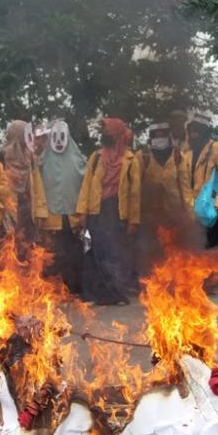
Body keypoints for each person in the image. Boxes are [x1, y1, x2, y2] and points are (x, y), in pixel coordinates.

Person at [76, 118, 141, 305]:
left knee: (113, 255)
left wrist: (133, 221)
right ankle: (94, 295)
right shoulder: (96, 158)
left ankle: (115, 294)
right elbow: (86, 186)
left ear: (118, 135)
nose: (105, 136)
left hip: (116, 212)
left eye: (109, 133)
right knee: (94, 254)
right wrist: (82, 213)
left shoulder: (130, 160)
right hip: (96, 211)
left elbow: (135, 193)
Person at [39, 120, 87, 293]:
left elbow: (86, 185)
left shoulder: (80, 160)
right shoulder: (42, 161)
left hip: (72, 216)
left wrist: (83, 212)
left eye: (62, 137)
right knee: (54, 254)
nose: (59, 141)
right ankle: (56, 290)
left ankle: (74, 288)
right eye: (55, 137)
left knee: (74, 253)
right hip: (52, 217)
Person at [183, 114, 218, 248]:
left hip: (212, 210)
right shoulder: (186, 153)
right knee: (194, 252)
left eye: (197, 129)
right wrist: (189, 206)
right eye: (191, 129)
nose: (194, 133)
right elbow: (184, 183)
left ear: (205, 130)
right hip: (192, 210)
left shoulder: (216, 148)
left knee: (213, 251)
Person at [1, 120, 48, 244]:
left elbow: (37, 187)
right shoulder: (1, 159)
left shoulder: (31, 158)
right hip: (9, 213)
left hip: (28, 212)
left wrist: (40, 212)